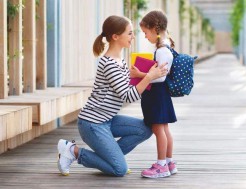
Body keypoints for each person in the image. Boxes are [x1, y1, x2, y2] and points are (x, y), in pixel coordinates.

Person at [57, 15, 168, 177]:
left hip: (107, 119)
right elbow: (128, 96)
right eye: (129, 33)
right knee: (119, 170)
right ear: (116, 37)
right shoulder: (109, 64)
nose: (133, 36)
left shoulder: (119, 61)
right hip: (92, 124)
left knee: (145, 129)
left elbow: (126, 85)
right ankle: (73, 151)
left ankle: (111, 159)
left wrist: (141, 74)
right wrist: (149, 77)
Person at [132, 10, 178, 178]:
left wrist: (139, 75)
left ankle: (161, 166)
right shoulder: (165, 48)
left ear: (154, 28)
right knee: (164, 130)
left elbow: (159, 77)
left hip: (157, 95)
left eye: (145, 32)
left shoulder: (161, 50)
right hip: (161, 95)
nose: (145, 36)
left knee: (159, 130)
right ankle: (168, 162)